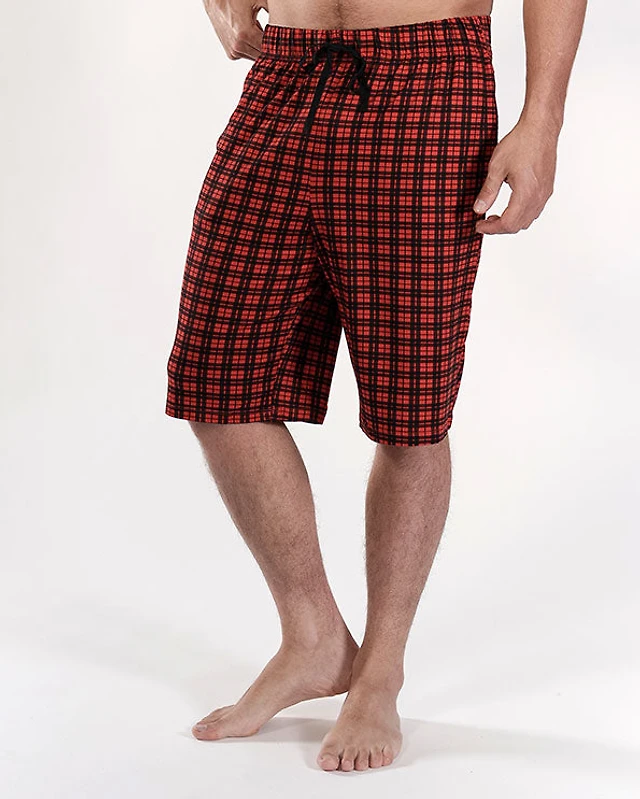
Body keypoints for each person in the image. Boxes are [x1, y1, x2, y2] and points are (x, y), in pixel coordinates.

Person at [165, 0, 587, 773]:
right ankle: (313, 637)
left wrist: (544, 118)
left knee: (409, 410)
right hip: (286, 69)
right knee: (214, 380)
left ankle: (380, 670)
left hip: (427, 76)